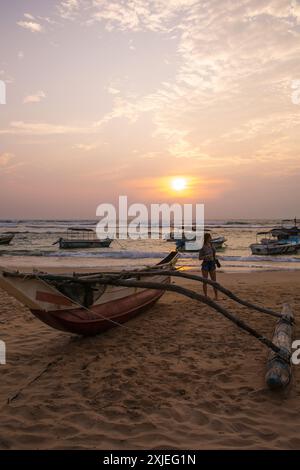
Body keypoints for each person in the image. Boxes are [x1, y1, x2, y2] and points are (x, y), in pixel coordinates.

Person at [198, 232, 218, 300]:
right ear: (206, 238)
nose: (210, 239)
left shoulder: (212, 245)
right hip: (205, 264)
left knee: (214, 281)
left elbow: (214, 255)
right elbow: (199, 258)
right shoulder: (202, 247)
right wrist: (206, 256)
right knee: (205, 281)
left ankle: (216, 296)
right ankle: (205, 296)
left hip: (212, 263)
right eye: (209, 237)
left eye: (210, 237)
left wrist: (216, 261)